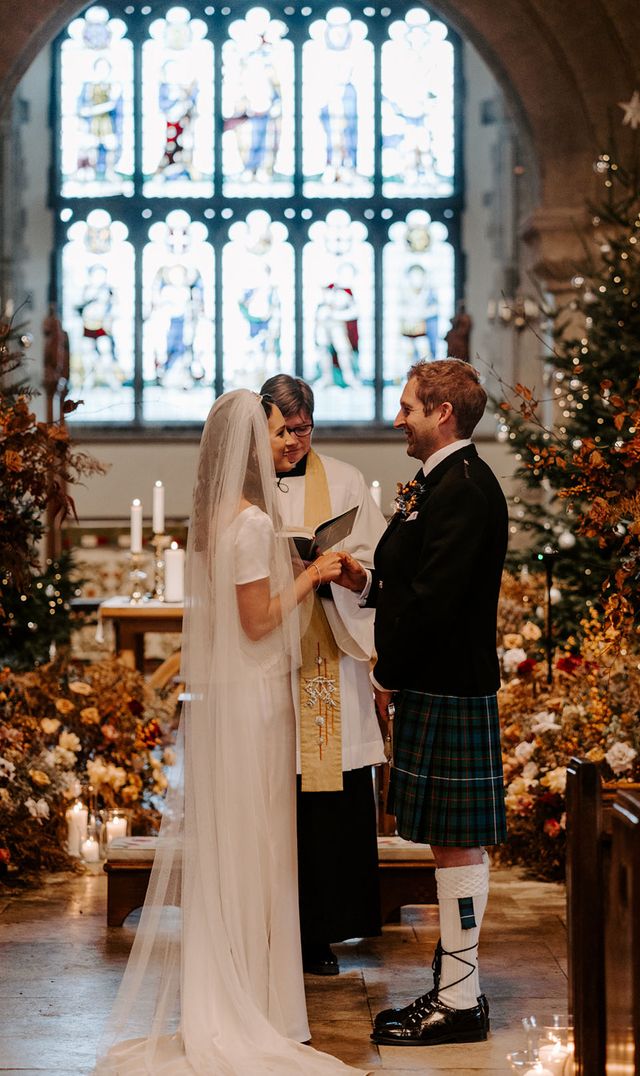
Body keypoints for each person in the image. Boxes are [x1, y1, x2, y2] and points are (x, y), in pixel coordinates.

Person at [96, 390, 363, 1075]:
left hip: (237, 699)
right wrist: (311, 573)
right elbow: (256, 620)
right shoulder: (246, 525)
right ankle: (252, 1004)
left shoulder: (218, 519)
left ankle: (244, 992)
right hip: (253, 705)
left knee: (244, 848)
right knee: (257, 849)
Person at [336, 358, 508, 1047]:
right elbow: (416, 579)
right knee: (450, 840)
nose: (398, 417)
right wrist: (367, 579)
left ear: (442, 413)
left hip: (448, 680)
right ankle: (453, 991)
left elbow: (436, 603)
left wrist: (387, 672)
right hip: (436, 677)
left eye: (408, 406)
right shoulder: (439, 482)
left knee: (456, 843)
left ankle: (460, 1002)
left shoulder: (464, 487)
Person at [260, 374, 386, 976]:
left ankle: (322, 931)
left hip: (328, 653)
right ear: (262, 427)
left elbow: (375, 566)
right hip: (266, 659)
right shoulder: (245, 485)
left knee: (328, 797)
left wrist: (347, 571)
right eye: (285, 431)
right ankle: (268, 924)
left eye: (304, 428)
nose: (295, 442)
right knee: (274, 793)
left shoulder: (343, 480)